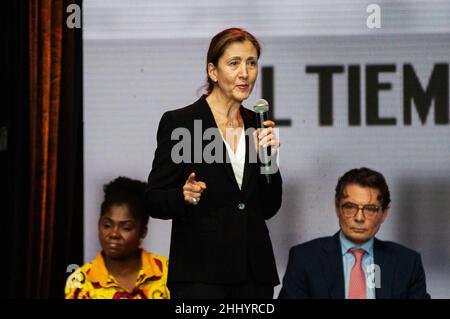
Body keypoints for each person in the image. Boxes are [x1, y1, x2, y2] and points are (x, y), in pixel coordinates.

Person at [145, 28, 283, 298]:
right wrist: (181, 196)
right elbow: (153, 199)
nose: (245, 73)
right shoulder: (181, 123)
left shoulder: (257, 123)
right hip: (201, 276)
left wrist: (272, 163)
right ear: (213, 71)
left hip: (254, 276)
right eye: (234, 63)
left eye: (251, 62)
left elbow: (269, 207)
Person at [279, 167, 430, 299]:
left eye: (370, 209)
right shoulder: (305, 259)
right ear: (337, 208)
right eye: (350, 207)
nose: (359, 218)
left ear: (384, 213)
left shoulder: (408, 263)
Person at [65, 177, 170, 299]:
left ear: (143, 232)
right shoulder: (80, 282)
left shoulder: (166, 271)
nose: (114, 234)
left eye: (125, 227)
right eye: (107, 225)